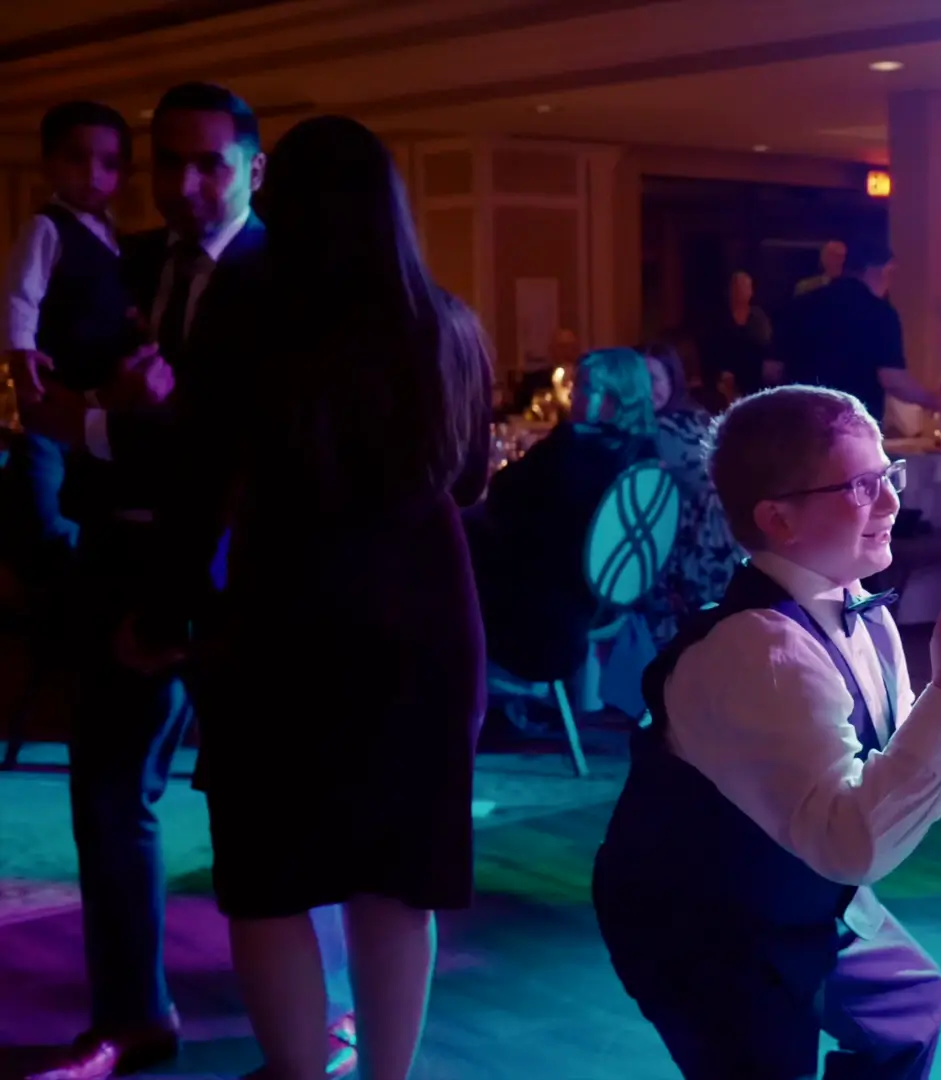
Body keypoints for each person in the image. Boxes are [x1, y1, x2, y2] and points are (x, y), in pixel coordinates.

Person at [122, 113, 492, 1080]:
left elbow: (195, 486)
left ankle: (296, 1070)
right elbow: (470, 485)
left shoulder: (248, 310)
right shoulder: (445, 322)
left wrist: (159, 620)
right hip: (424, 610)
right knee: (394, 879)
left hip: (288, 606)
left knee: (272, 878)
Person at [20, 85, 355, 1080]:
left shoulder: (291, 281)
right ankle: (133, 1019)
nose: (185, 184)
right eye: (167, 162)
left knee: (274, 801)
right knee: (106, 795)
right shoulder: (118, 263)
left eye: (210, 162)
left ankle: (321, 1026)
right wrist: (102, 420)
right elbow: (71, 403)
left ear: (254, 167)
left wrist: (108, 425)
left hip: (239, 578)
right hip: (120, 556)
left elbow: (250, 449)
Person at [593, 385, 941, 1079]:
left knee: (908, 1009)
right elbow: (853, 842)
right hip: (701, 925)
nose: (890, 502)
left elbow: (878, 782)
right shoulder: (759, 653)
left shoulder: (861, 610)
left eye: (889, 477)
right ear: (779, 520)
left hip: (798, 892)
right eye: (861, 486)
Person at [471, 347, 660, 687]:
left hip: (544, 621)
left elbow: (500, 494)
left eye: (585, 387)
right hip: (603, 604)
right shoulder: (642, 450)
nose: (572, 393)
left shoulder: (569, 451)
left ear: (613, 400)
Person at [2, 101, 136, 562]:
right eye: (76, 158)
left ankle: (72, 562)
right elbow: (21, 293)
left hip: (96, 387)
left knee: (83, 486)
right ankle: (40, 566)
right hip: (52, 383)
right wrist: (21, 350)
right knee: (41, 490)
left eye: (110, 163)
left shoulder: (110, 231)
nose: (93, 174)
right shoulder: (46, 226)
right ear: (49, 164)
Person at [782, 239, 941, 429]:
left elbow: (773, 369)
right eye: (892, 273)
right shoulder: (880, 313)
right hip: (852, 430)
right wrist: (938, 403)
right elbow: (893, 379)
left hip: (799, 423)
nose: (891, 282)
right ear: (881, 270)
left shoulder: (801, 305)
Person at [640, 341, 740, 643]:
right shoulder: (699, 418)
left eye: (655, 379)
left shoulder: (661, 432)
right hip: (724, 554)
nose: (648, 389)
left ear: (673, 380)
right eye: (641, 381)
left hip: (699, 558)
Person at [702, 269, 775, 399]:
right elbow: (711, 348)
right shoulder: (718, 318)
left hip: (754, 375)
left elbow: (765, 343)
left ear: (751, 291)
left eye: (746, 287)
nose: (741, 291)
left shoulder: (758, 316)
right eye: (737, 287)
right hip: (723, 376)